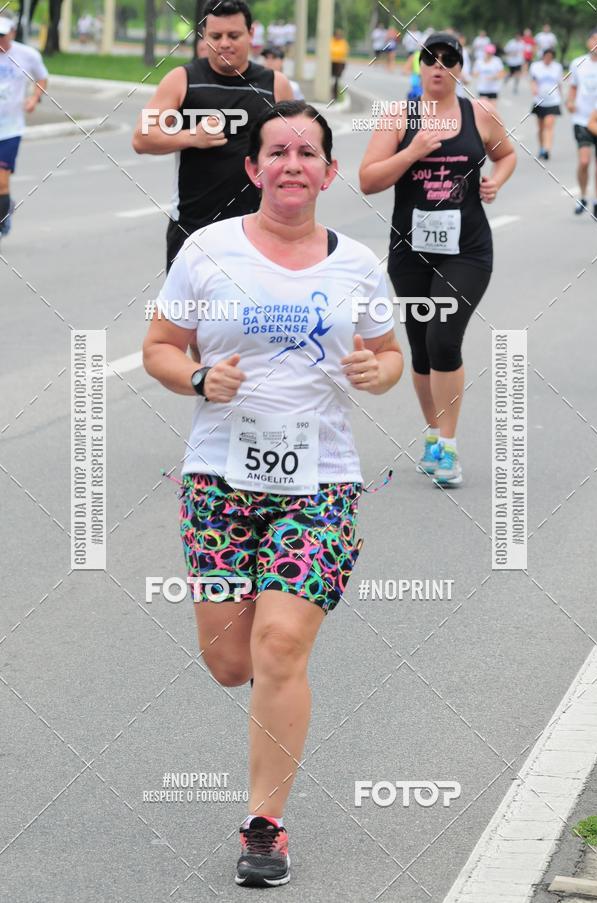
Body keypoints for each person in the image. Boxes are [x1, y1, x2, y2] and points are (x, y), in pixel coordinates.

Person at [143, 99, 403, 887]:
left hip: (319, 483)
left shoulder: (358, 264)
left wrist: (377, 371)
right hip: (219, 478)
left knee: (281, 643)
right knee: (232, 662)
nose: (293, 163)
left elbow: (389, 354)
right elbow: (159, 346)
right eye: (279, 152)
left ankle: (265, 824)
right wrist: (198, 377)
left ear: (329, 171)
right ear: (255, 168)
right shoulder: (207, 250)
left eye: (308, 152)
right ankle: (270, 681)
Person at [359, 32, 516, 487]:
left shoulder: (479, 113)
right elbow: (368, 180)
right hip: (410, 251)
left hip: (467, 250)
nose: (439, 67)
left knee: (444, 338)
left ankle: (448, 446)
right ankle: (432, 434)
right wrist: (412, 152)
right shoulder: (399, 116)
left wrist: (496, 180)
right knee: (422, 346)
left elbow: (506, 155)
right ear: (420, 66)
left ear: (460, 69)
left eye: (449, 60)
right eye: (430, 59)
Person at [132, 0, 293, 272]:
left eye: (234, 35)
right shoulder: (183, 79)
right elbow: (141, 137)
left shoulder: (275, 85)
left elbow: (296, 147)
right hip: (193, 228)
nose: (224, 44)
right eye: (216, 36)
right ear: (204, 37)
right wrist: (191, 137)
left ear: (251, 34)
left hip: (257, 230)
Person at [0, 16, 48, 238]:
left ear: (12, 32)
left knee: (1, 181)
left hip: (10, 130)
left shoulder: (27, 55)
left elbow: (42, 78)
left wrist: (34, 98)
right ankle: (5, 206)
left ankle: (2, 222)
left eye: (2, 35)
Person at [567, 27, 597, 218]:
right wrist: (570, 102)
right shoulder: (578, 63)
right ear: (588, 42)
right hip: (581, 119)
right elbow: (573, 87)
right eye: (595, 39)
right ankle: (583, 195)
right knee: (584, 161)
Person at [530, 48, 563, 160]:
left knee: (549, 125)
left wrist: (561, 96)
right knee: (541, 127)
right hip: (539, 101)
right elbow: (533, 80)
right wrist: (534, 89)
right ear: (543, 56)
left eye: (550, 57)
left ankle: (547, 149)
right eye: (546, 57)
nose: (548, 59)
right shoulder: (535, 66)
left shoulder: (557, 67)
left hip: (553, 101)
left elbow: (559, 83)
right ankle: (541, 147)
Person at [330, 28, 349, 102]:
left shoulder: (343, 42)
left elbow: (344, 51)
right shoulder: (331, 41)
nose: (338, 36)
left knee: (336, 79)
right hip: (332, 62)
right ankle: (331, 92)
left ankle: (335, 95)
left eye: (339, 35)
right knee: (331, 79)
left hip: (340, 63)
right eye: (337, 35)